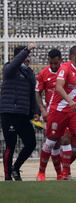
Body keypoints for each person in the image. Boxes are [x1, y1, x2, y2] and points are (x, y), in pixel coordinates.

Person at [37, 45, 76, 180]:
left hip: (74, 112)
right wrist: (70, 101)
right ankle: (41, 172)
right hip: (59, 110)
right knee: (50, 142)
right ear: (72, 57)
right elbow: (58, 87)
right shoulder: (65, 68)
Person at [0, 43, 37, 181]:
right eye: (26, 56)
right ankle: (8, 176)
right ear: (19, 56)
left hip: (23, 114)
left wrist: (34, 111)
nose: (28, 59)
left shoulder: (29, 73)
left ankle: (16, 168)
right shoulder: (9, 68)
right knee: (10, 145)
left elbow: (32, 94)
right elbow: (15, 63)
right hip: (9, 113)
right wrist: (27, 49)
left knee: (31, 143)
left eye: (29, 56)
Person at [35, 48, 63, 180]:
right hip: (52, 113)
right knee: (53, 143)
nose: (53, 66)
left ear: (61, 61)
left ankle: (64, 172)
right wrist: (42, 110)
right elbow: (37, 93)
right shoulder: (43, 73)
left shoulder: (65, 71)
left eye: (55, 64)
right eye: (50, 63)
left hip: (67, 111)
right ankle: (48, 173)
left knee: (68, 141)